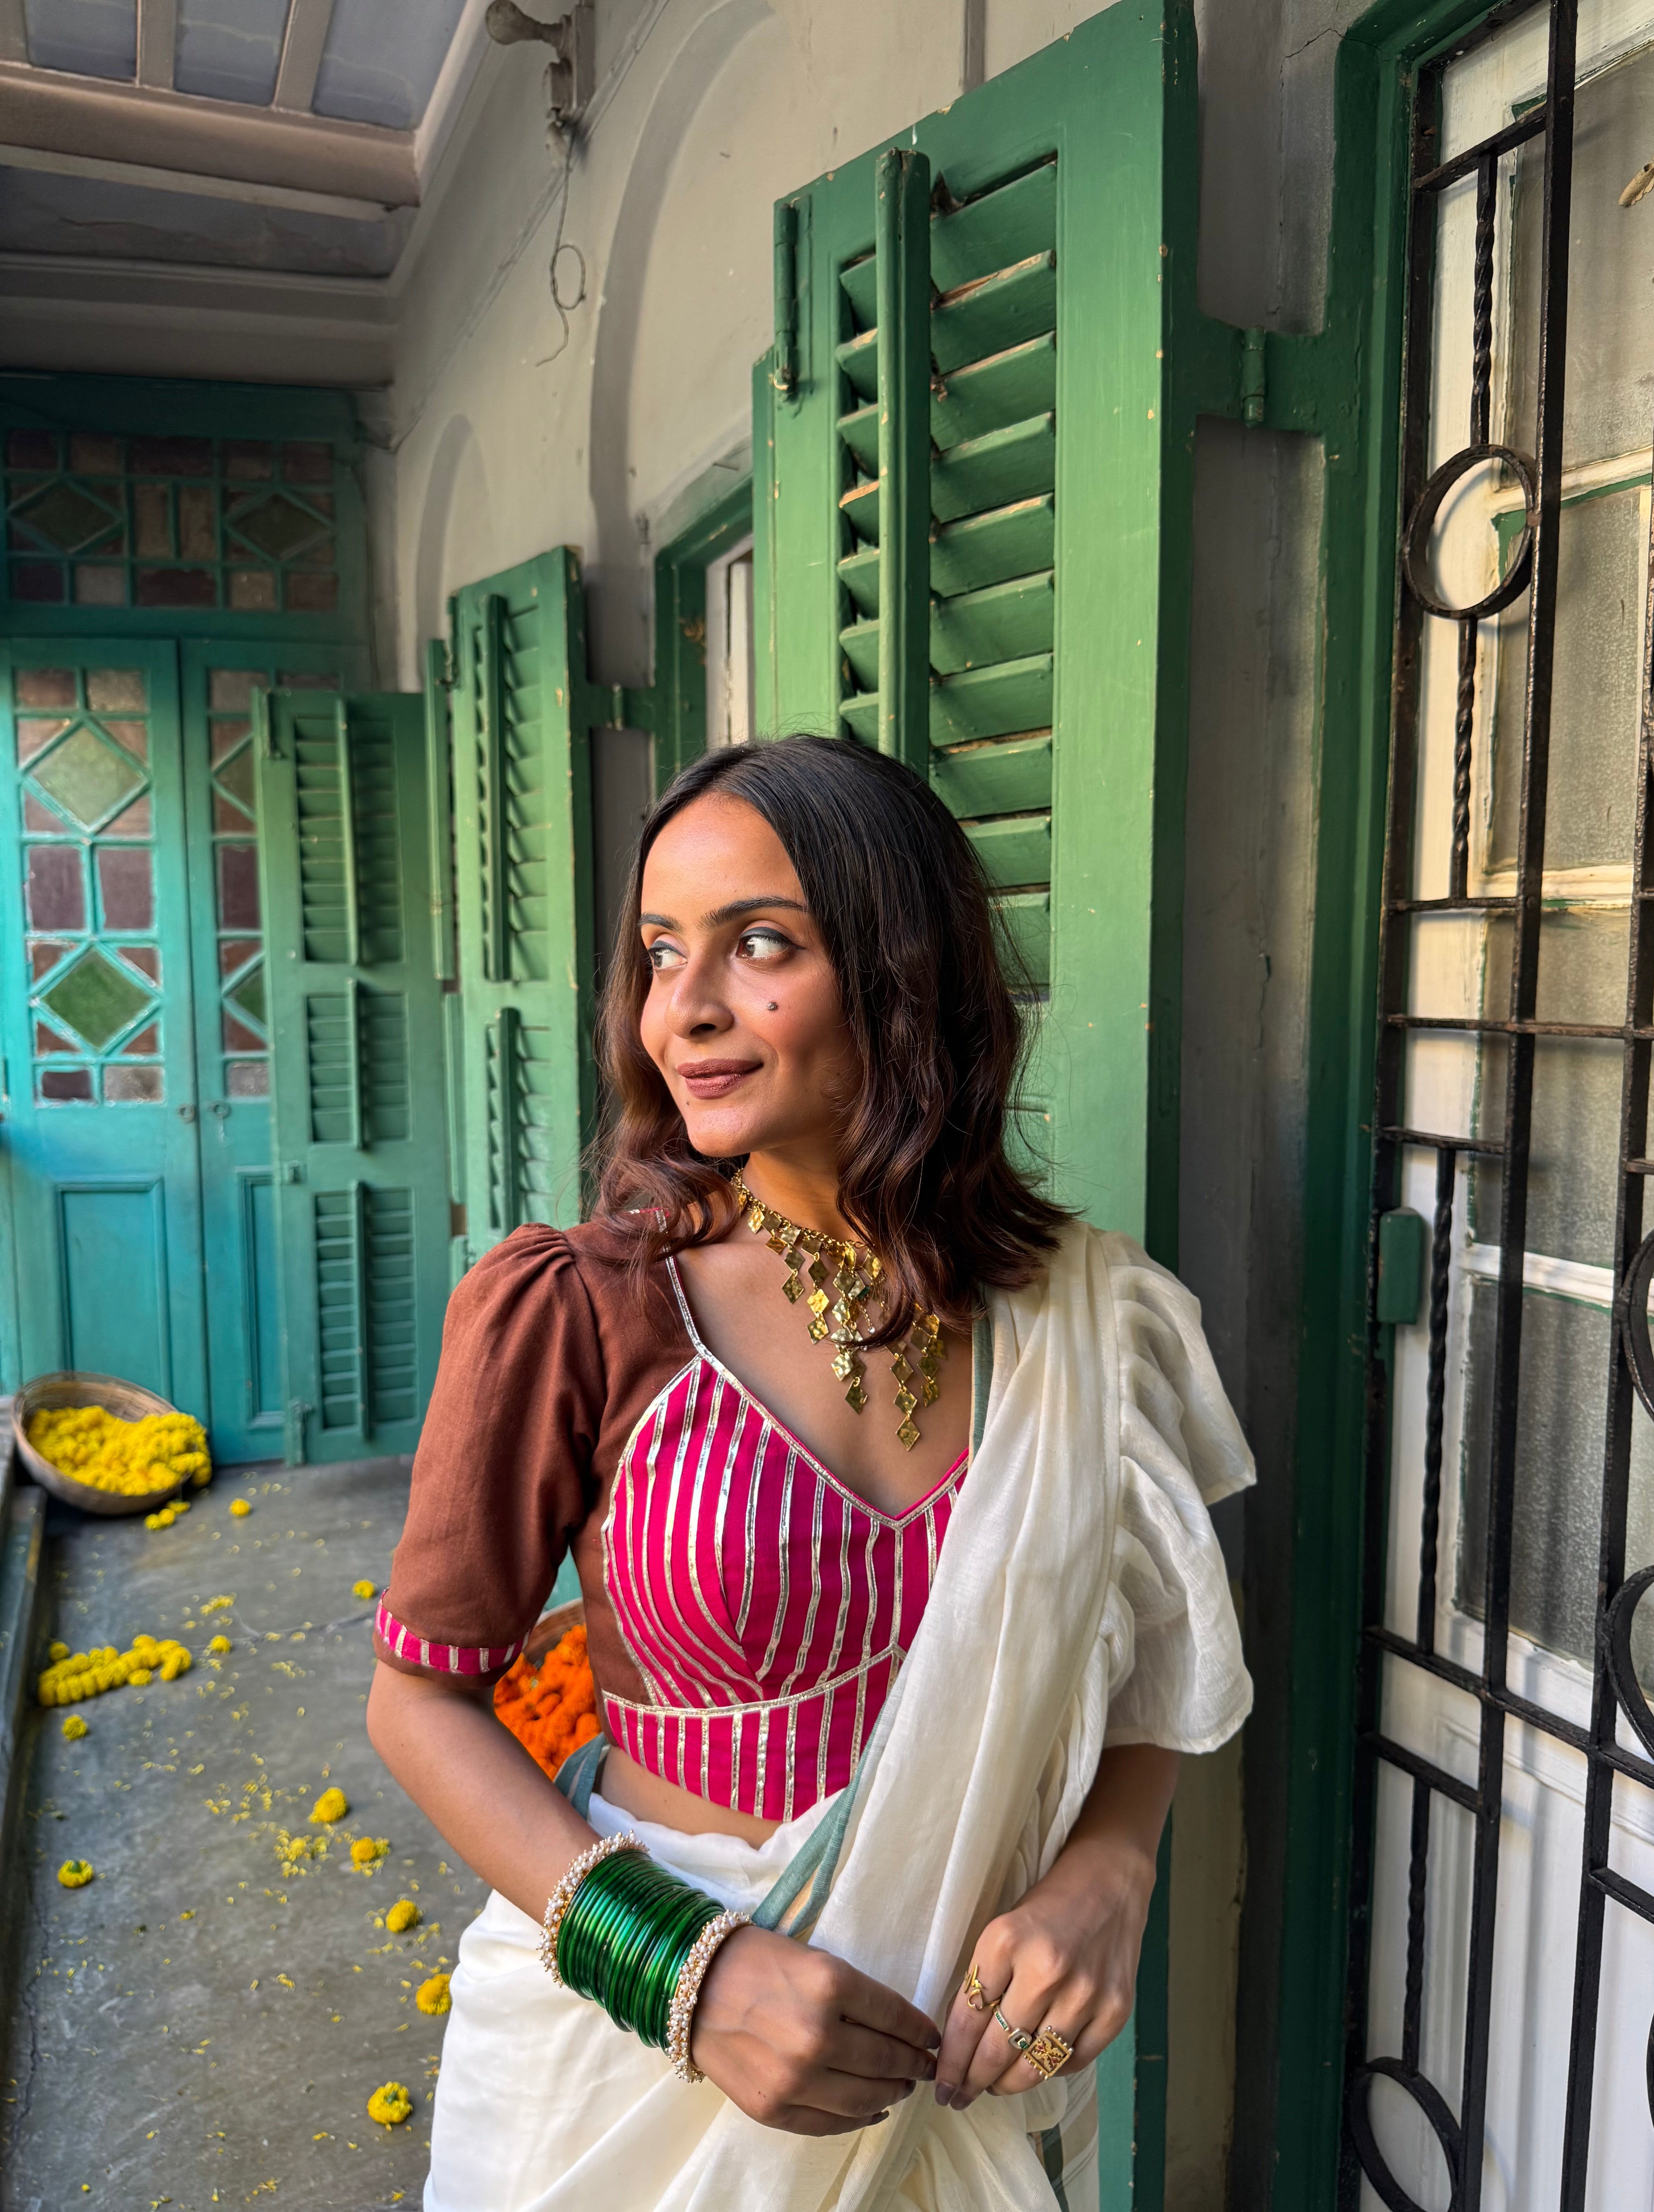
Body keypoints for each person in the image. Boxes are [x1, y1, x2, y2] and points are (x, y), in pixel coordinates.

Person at [367, 736, 1253, 2212]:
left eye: (760, 944)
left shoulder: (1089, 1324)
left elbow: (1152, 1654)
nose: (684, 1009)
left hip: (952, 2067)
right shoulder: (579, 1310)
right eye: (661, 954)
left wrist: (1112, 1870)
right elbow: (418, 1699)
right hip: (627, 2074)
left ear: (905, 971)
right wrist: (679, 1971)